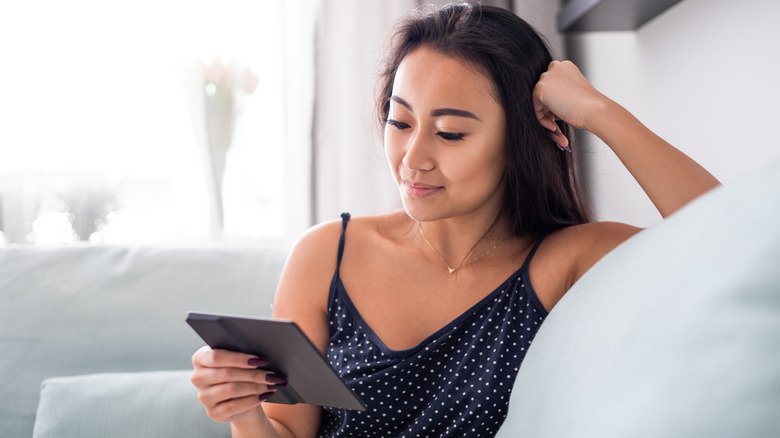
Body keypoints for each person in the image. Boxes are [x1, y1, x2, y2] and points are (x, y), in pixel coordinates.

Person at [191, 2, 720, 437]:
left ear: (518, 142)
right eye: (400, 121)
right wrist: (245, 412)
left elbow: (727, 242)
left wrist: (597, 111)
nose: (412, 157)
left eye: (450, 133)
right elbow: (286, 432)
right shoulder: (326, 255)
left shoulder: (564, 263)